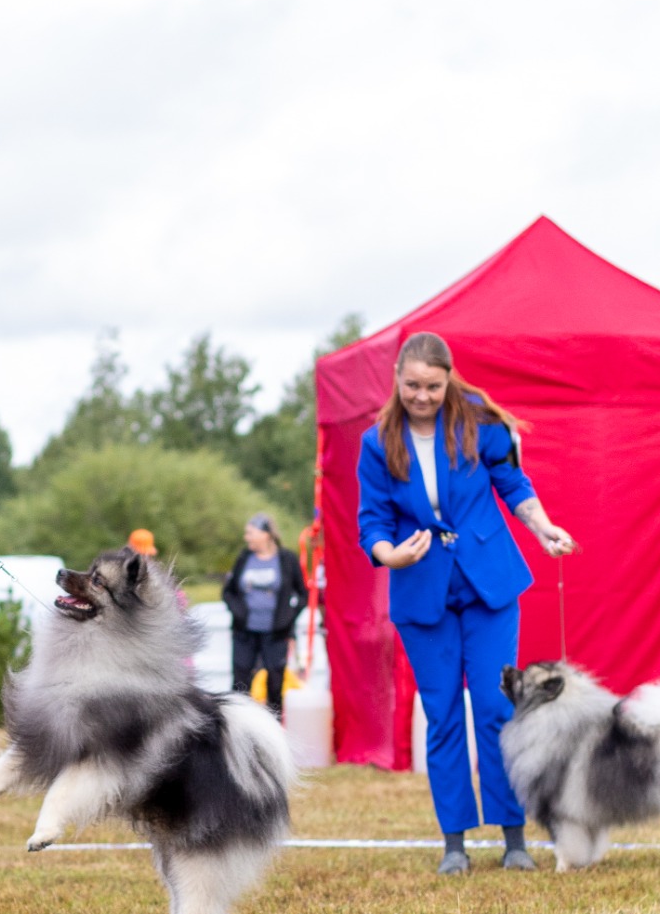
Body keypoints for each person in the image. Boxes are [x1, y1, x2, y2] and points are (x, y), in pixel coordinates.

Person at [357, 333, 576, 875]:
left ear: (448, 378)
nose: (423, 396)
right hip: (420, 588)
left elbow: (513, 483)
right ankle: (454, 842)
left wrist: (543, 527)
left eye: (433, 385)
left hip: (489, 586)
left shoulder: (481, 424)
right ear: (397, 380)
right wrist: (389, 555)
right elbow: (373, 520)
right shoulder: (377, 441)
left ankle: (514, 837)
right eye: (412, 386)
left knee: (496, 706)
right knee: (443, 716)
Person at [222, 514, 306, 716]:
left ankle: (275, 727)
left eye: (250, 533)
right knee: (241, 681)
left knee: (276, 681)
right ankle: (240, 725)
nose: (246, 537)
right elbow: (228, 591)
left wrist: (288, 618)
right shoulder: (244, 558)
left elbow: (303, 594)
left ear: (266, 534)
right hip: (245, 631)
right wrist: (239, 612)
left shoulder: (286, 559)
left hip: (275, 632)